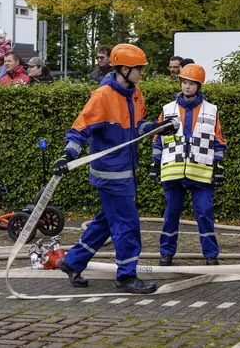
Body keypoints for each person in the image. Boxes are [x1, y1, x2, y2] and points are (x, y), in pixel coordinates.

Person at [53, 44, 178, 294]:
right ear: (123, 69)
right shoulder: (102, 96)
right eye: (138, 68)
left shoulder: (135, 93)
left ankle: (73, 261)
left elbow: (138, 126)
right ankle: (126, 276)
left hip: (126, 172)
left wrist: (157, 127)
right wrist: (68, 154)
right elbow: (80, 130)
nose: (141, 72)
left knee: (106, 223)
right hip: (110, 175)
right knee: (127, 224)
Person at [150, 63, 227, 266]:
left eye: (192, 83)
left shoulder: (211, 110)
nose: (187, 86)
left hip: (201, 174)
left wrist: (218, 167)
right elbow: (157, 139)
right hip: (173, 173)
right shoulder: (167, 109)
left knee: (204, 214)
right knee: (171, 215)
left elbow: (219, 141)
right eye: (184, 82)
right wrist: (155, 163)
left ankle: (210, 255)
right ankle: (166, 253)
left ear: (199, 86)